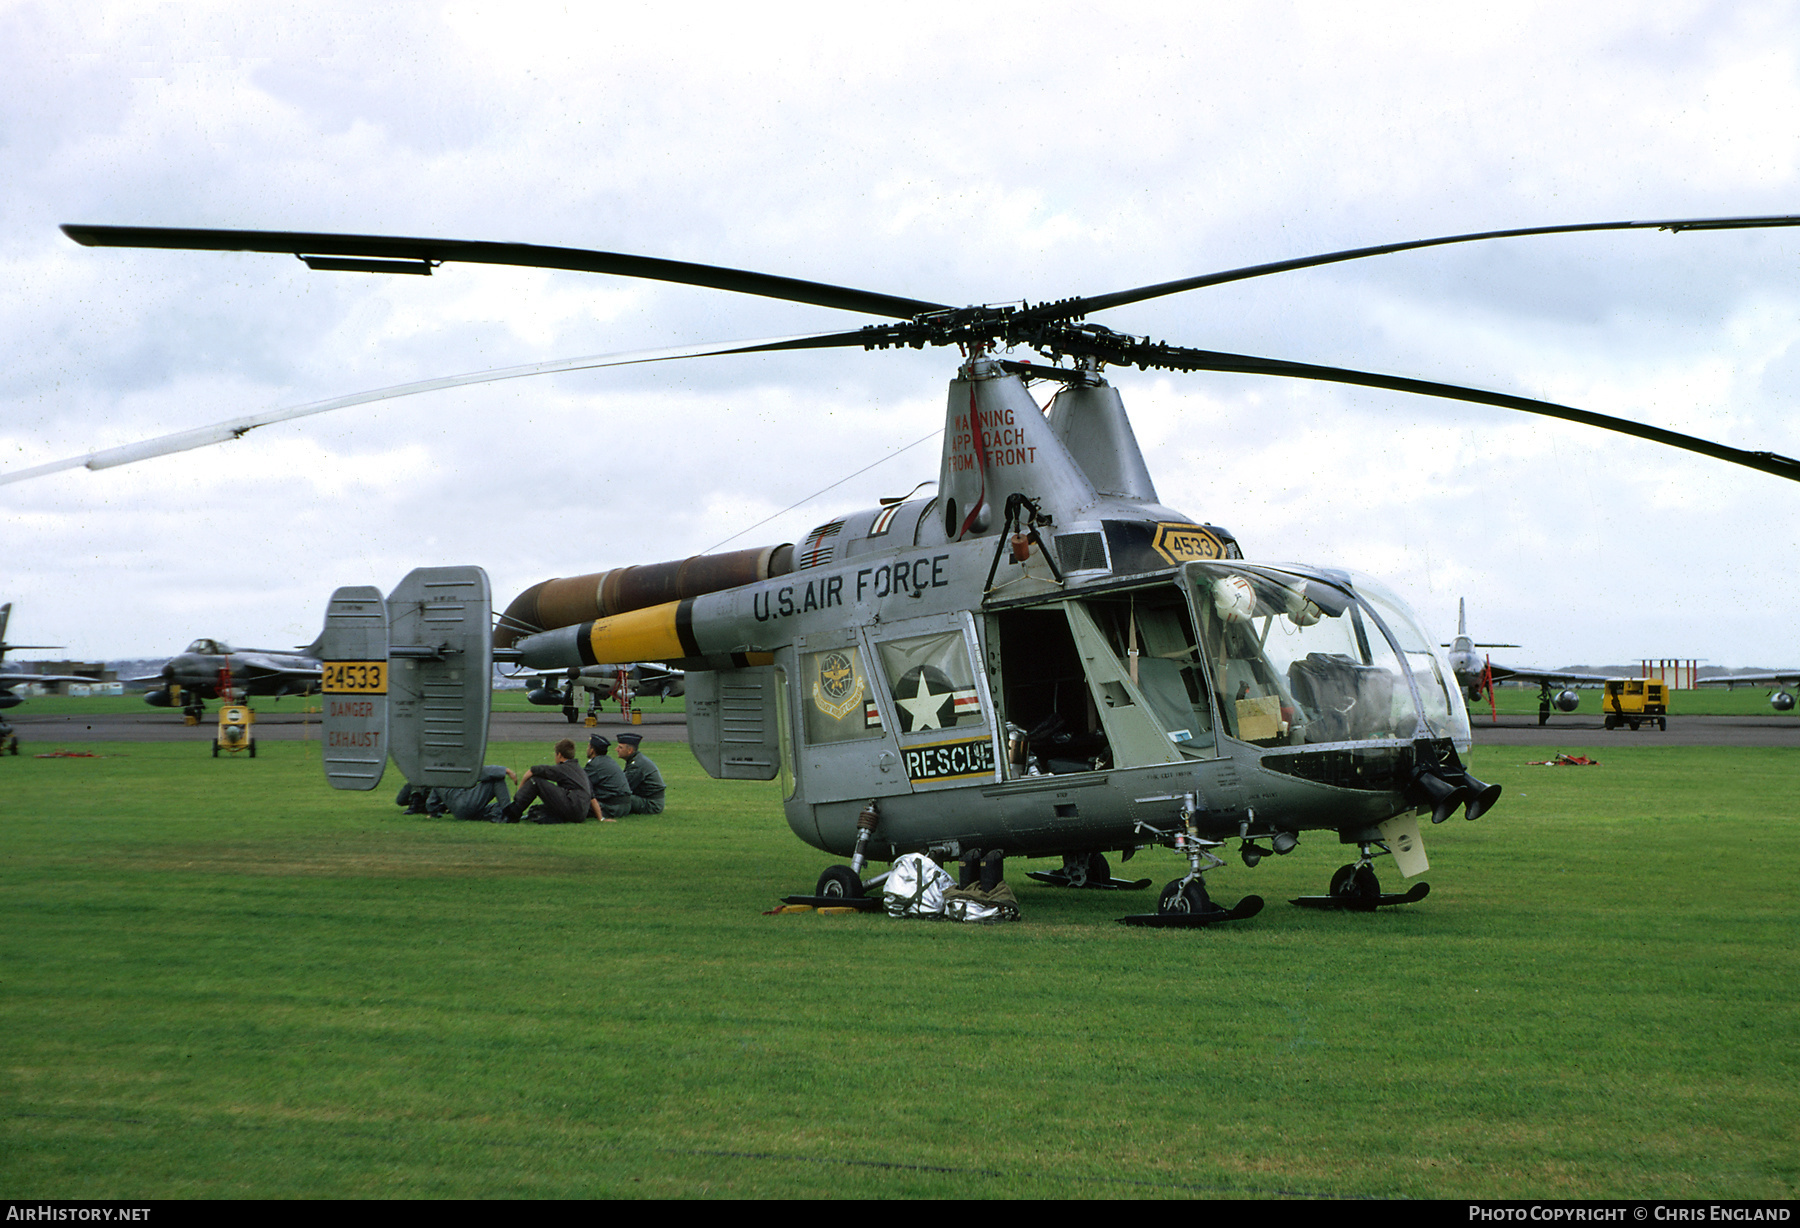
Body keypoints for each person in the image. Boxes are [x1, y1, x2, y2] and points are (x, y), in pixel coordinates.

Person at [499, 738, 593, 824]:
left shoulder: (563, 768)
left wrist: (519, 789)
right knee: (538, 809)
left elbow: (533, 771)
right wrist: (600, 818)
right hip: (580, 812)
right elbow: (592, 797)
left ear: (559, 755)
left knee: (535, 782)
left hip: (573, 807)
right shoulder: (579, 769)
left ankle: (512, 813)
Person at [584, 733, 633, 821]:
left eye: (589, 747)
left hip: (612, 808)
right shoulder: (608, 761)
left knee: (575, 805)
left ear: (592, 750)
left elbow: (581, 784)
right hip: (624, 807)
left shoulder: (595, 765)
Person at [616, 732, 666, 815]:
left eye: (620, 747)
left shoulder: (637, 765)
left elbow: (624, 788)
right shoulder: (636, 760)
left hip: (652, 805)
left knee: (619, 798)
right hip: (648, 800)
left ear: (629, 750)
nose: (616, 749)